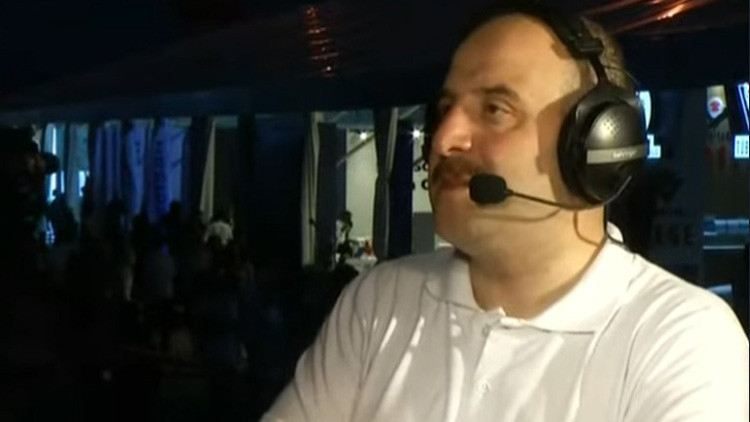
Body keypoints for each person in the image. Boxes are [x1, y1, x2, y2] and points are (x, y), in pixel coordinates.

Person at [262, 3, 749, 421]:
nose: (444, 139)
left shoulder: (682, 339)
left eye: (495, 109)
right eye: (444, 110)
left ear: (597, 145)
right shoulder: (379, 302)